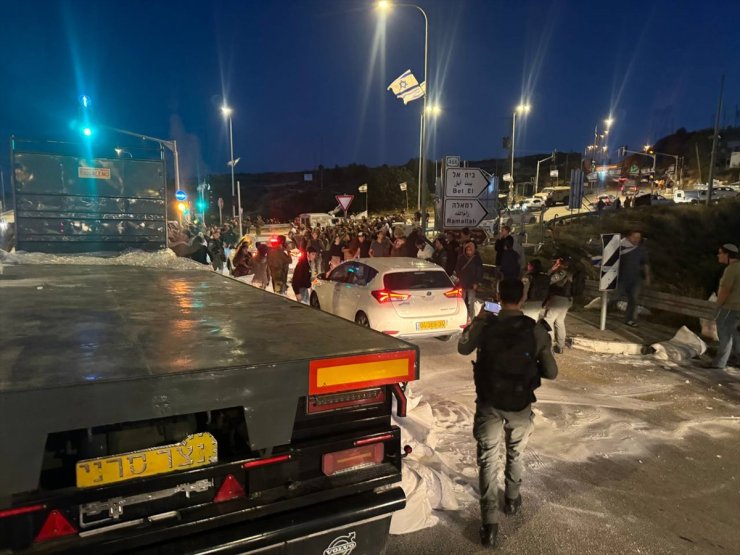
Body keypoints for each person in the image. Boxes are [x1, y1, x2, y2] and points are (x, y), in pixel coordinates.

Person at [458, 278, 558, 548]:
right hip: (520, 404)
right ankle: (512, 499)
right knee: (516, 450)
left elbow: (462, 347)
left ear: (498, 297)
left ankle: (489, 522)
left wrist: (478, 320)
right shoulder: (535, 330)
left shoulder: (487, 325)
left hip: (489, 403)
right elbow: (552, 372)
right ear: (523, 299)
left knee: (488, 459)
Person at [705, 244, 740, 370]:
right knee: (735, 335)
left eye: (720, 253)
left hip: (729, 307)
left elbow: (725, 291)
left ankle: (719, 363)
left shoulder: (731, 269)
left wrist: (717, 307)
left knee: (725, 335)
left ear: (728, 255)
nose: (718, 255)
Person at [614, 230, 650, 327]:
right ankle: (605, 311)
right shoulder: (620, 247)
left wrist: (647, 277)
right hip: (621, 278)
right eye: (635, 237)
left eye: (639, 238)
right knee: (614, 297)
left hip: (636, 279)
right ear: (629, 237)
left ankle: (630, 319)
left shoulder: (640, 249)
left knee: (633, 299)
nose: (637, 240)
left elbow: (645, 264)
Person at [544, 256, 573, 353]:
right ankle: (560, 346)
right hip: (566, 299)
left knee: (548, 320)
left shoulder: (561, 272)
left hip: (558, 298)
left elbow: (549, 280)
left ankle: (550, 345)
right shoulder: (570, 273)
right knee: (559, 321)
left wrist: (552, 269)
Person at [455, 241, 484, 322]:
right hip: (463, 283)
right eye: (467, 249)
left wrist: (476, 282)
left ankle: (471, 317)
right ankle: (463, 317)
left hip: (472, 284)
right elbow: (457, 269)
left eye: (471, 249)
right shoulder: (461, 258)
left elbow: (479, 271)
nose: (469, 251)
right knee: (462, 301)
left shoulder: (477, 259)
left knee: (471, 301)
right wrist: (459, 277)